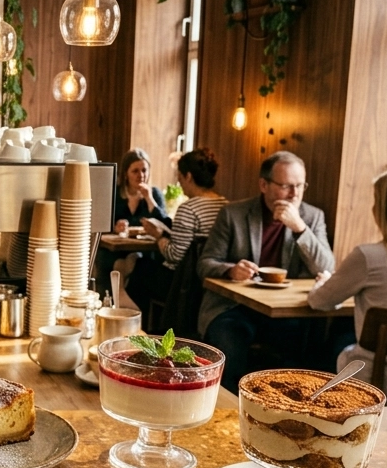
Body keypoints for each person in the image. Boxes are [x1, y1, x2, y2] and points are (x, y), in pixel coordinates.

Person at [197, 151, 336, 392]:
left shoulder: (312, 217)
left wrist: (300, 229)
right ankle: (227, 412)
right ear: (264, 185)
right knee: (230, 346)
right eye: (285, 186)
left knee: (302, 356)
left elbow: (326, 267)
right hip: (233, 308)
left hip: (285, 312)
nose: (294, 195)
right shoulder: (234, 214)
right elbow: (205, 263)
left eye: (300, 186)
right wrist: (231, 270)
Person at [308, 165, 387, 401]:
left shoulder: (368, 256)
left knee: (329, 343)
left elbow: (319, 302)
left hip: (377, 379)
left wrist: (324, 282)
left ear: (382, 210)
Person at [127, 147, 228, 311]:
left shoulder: (189, 209)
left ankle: (142, 326)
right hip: (208, 280)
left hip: (183, 284)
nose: (179, 184)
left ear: (188, 176)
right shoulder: (224, 205)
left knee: (140, 268)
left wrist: (159, 236)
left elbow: (174, 255)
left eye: (179, 177)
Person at [95, 149, 169, 302]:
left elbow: (164, 224)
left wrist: (149, 200)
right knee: (116, 262)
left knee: (136, 261)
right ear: (125, 173)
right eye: (135, 171)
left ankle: (122, 301)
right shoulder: (115, 193)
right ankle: (117, 299)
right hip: (114, 250)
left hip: (143, 250)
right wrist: (115, 227)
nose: (140, 175)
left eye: (144, 170)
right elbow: (100, 221)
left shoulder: (154, 194)